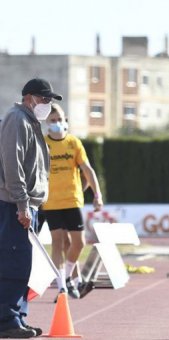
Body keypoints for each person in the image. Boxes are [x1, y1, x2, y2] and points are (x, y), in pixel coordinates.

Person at [0, 78, 62, 338]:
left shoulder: (29, 121)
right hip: (15, 203)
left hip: (27, 204)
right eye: (44, 99)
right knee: (15, 261)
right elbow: (12, 164)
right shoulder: (17, 119)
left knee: (23, 263)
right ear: (30, 98)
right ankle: (7, 321)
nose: (47, 105)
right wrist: (23, 204)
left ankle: (17, 318)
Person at [42, 103, 103, 300]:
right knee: (58, 243)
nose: (56, 123)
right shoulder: (43, 144)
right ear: (46, 123)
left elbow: (87, 170)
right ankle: (61, 287)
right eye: (52, 120)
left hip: (72, 200)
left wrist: (97, 194)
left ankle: (68, 277)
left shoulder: (74, 143)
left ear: (65, 121)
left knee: (79, 242)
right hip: (51, 202)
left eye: (59, 120)